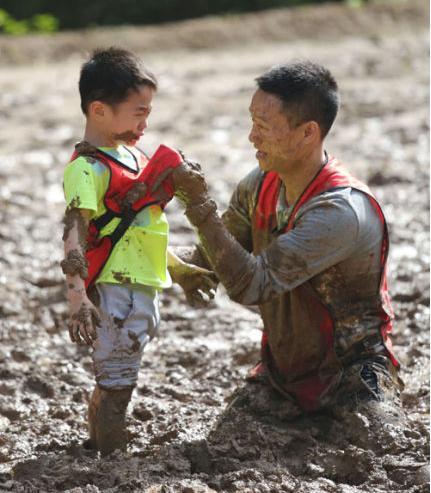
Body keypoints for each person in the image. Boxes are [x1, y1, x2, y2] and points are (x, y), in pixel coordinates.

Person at [172, 60, 403, 418]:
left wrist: (199, 208)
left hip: (352, 376)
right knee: (230, 437)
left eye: (263, 126)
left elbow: (252, 284)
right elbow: (210, 258)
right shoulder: (259, 183)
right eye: (252, 121)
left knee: (375, 443)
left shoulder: (340, 212)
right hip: (282, 376)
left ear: (308, 133)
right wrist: (134, 253)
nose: (252, 136)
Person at [61, 47, 215, 456]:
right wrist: (77, 299)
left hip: (139, 287)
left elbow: (138, 230)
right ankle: (110, 459)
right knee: (118, 383)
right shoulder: (87, 168)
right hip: (115, 292)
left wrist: (180, 271)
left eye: (148, 112)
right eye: (138, 112)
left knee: (116, 377)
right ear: (99, 110)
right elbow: (74, 233)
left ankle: (97, 446)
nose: (146, 123)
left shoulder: (132, 157)